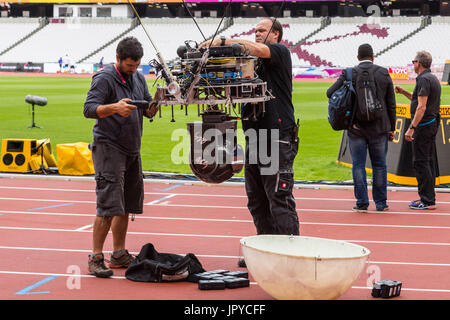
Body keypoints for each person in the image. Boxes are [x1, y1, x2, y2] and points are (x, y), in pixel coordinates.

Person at [199, 18, 300, 266]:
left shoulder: (279, 52)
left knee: (279, 197)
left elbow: (254, 49)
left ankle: (292, 254)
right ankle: (264, 251)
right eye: (254, 31)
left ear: (276, 35)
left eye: (261, 31)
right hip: (255, 138)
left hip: (277, 137)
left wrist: (222, 41)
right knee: (256, 199)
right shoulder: (250, 65)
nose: (256, 34)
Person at [83, 36, 158, 278]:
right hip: (109, 148)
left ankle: (119, 253)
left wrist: (154, 106)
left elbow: (146, 107)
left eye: (137, 66)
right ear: (118, 59)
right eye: (129, 65)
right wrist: (115, 107)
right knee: (108, 205)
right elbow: (89, 109)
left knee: (125, 204)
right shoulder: (104, 78)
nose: (134, 69)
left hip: (131, 148)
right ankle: (95, 257)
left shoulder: (137, 77)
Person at [327, 44, 396, 212]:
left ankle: (362, 203)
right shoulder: (383, 72)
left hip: (356, 128)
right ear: (373, 56)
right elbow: (391, 104)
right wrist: (392, 127)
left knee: (358, 165)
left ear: (358, 57)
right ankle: (381, 203)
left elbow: (330, 93)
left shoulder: (349, 73)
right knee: (379, 165)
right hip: (380, 128)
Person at [395, 51, 441, 210]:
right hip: (431, 125)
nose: (413, 64)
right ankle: (429, 198)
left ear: (419, 63)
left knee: (421, 162)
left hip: (423, 127)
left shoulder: (423, 79)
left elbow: (421, 107)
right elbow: (418, 100)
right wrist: (403, 92)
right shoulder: (431, 78)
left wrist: (411, 128)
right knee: (427, 161)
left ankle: (427, 201)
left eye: (413, 61)